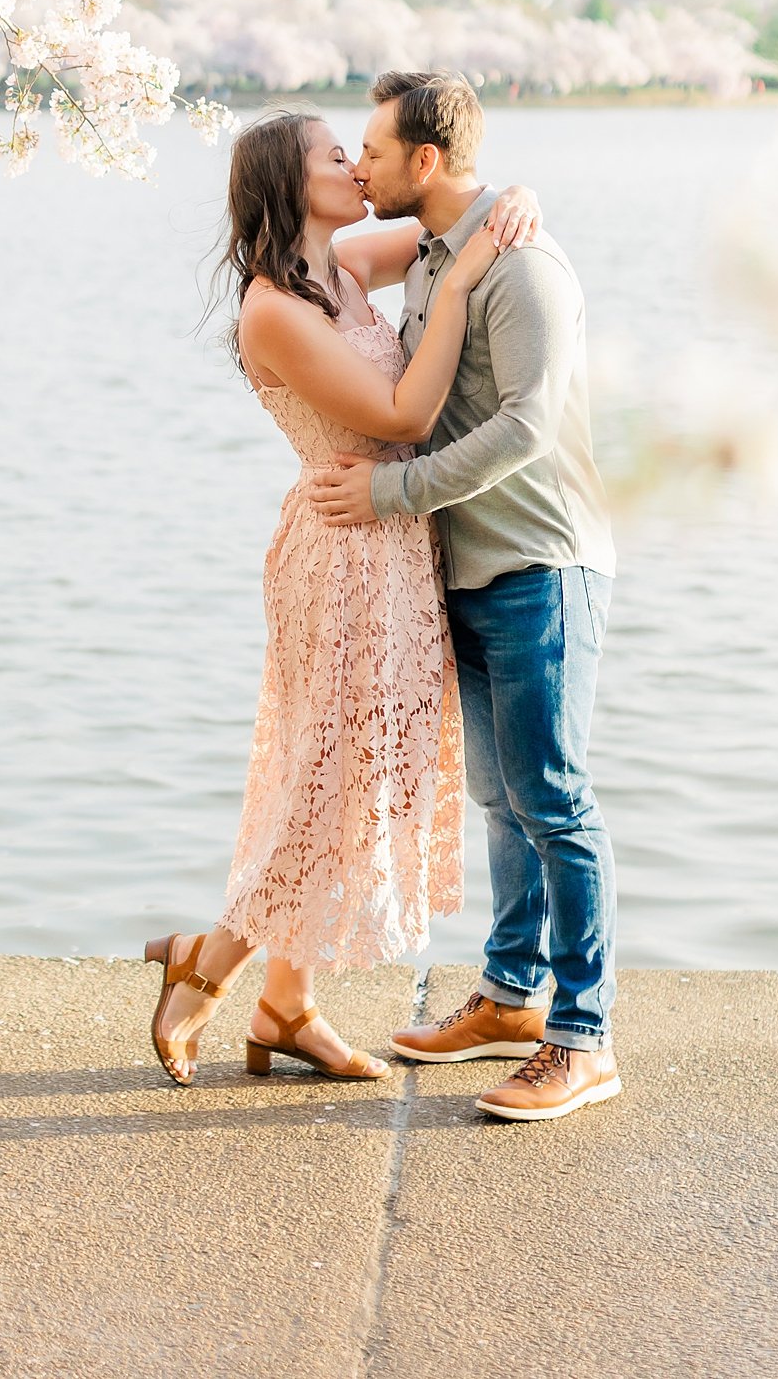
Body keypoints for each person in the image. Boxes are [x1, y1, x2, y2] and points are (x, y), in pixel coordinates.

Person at [143, 110, 541, 1087]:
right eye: (337, 157)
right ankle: (209, 963)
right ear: (292, 183)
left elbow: (458, 218)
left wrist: (520, 200)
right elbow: (403, 414)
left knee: (357, 779)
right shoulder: (275, 309)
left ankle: (287, 1007)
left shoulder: (346, 265)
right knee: (328, 780)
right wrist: (453, 287)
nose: (358, 167)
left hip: (396, 548)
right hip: (341, 557)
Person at [311, 70, 620, 1124]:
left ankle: (585, 1040)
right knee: (501, 801)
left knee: (555, 800)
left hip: (541, 565)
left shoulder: (522, 265)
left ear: (428, 162)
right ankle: (509, 995)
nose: (362, 166)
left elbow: (531, 425)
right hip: (471, 571)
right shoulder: (438, 256)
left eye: (377, 152)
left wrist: (392, 494)